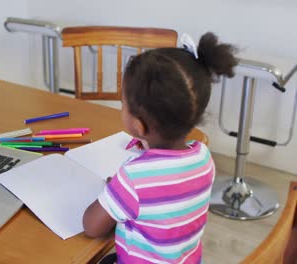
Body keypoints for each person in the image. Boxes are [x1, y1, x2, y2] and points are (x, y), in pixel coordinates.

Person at [83, 32, 237, 263]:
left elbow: (91, 227)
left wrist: (117, 191)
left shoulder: (133, 177)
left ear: (138, 125)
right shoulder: (204, 157)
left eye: (123, 103)